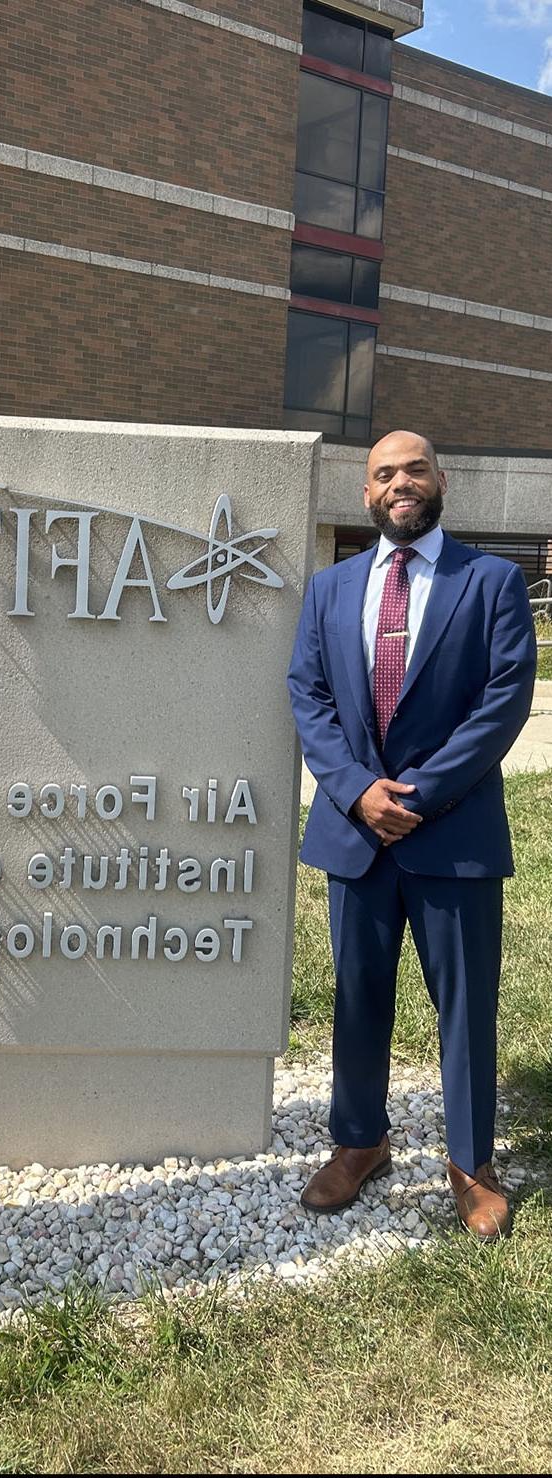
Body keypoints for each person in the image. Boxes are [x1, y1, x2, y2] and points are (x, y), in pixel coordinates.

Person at [287, 430, 536, 1241]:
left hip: (451, 830)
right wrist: (359, 791)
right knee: (357, 999)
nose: (400, 482)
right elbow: (309, 695)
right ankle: (361, 1141)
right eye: (383, 473)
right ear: (365, 493)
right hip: (356, 835)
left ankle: (471, 1163)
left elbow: (503, 700)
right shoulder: (328, 590)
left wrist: (417, 796)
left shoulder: (491, 581)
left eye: (414, 469)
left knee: (465, 1003)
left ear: (441, 480)